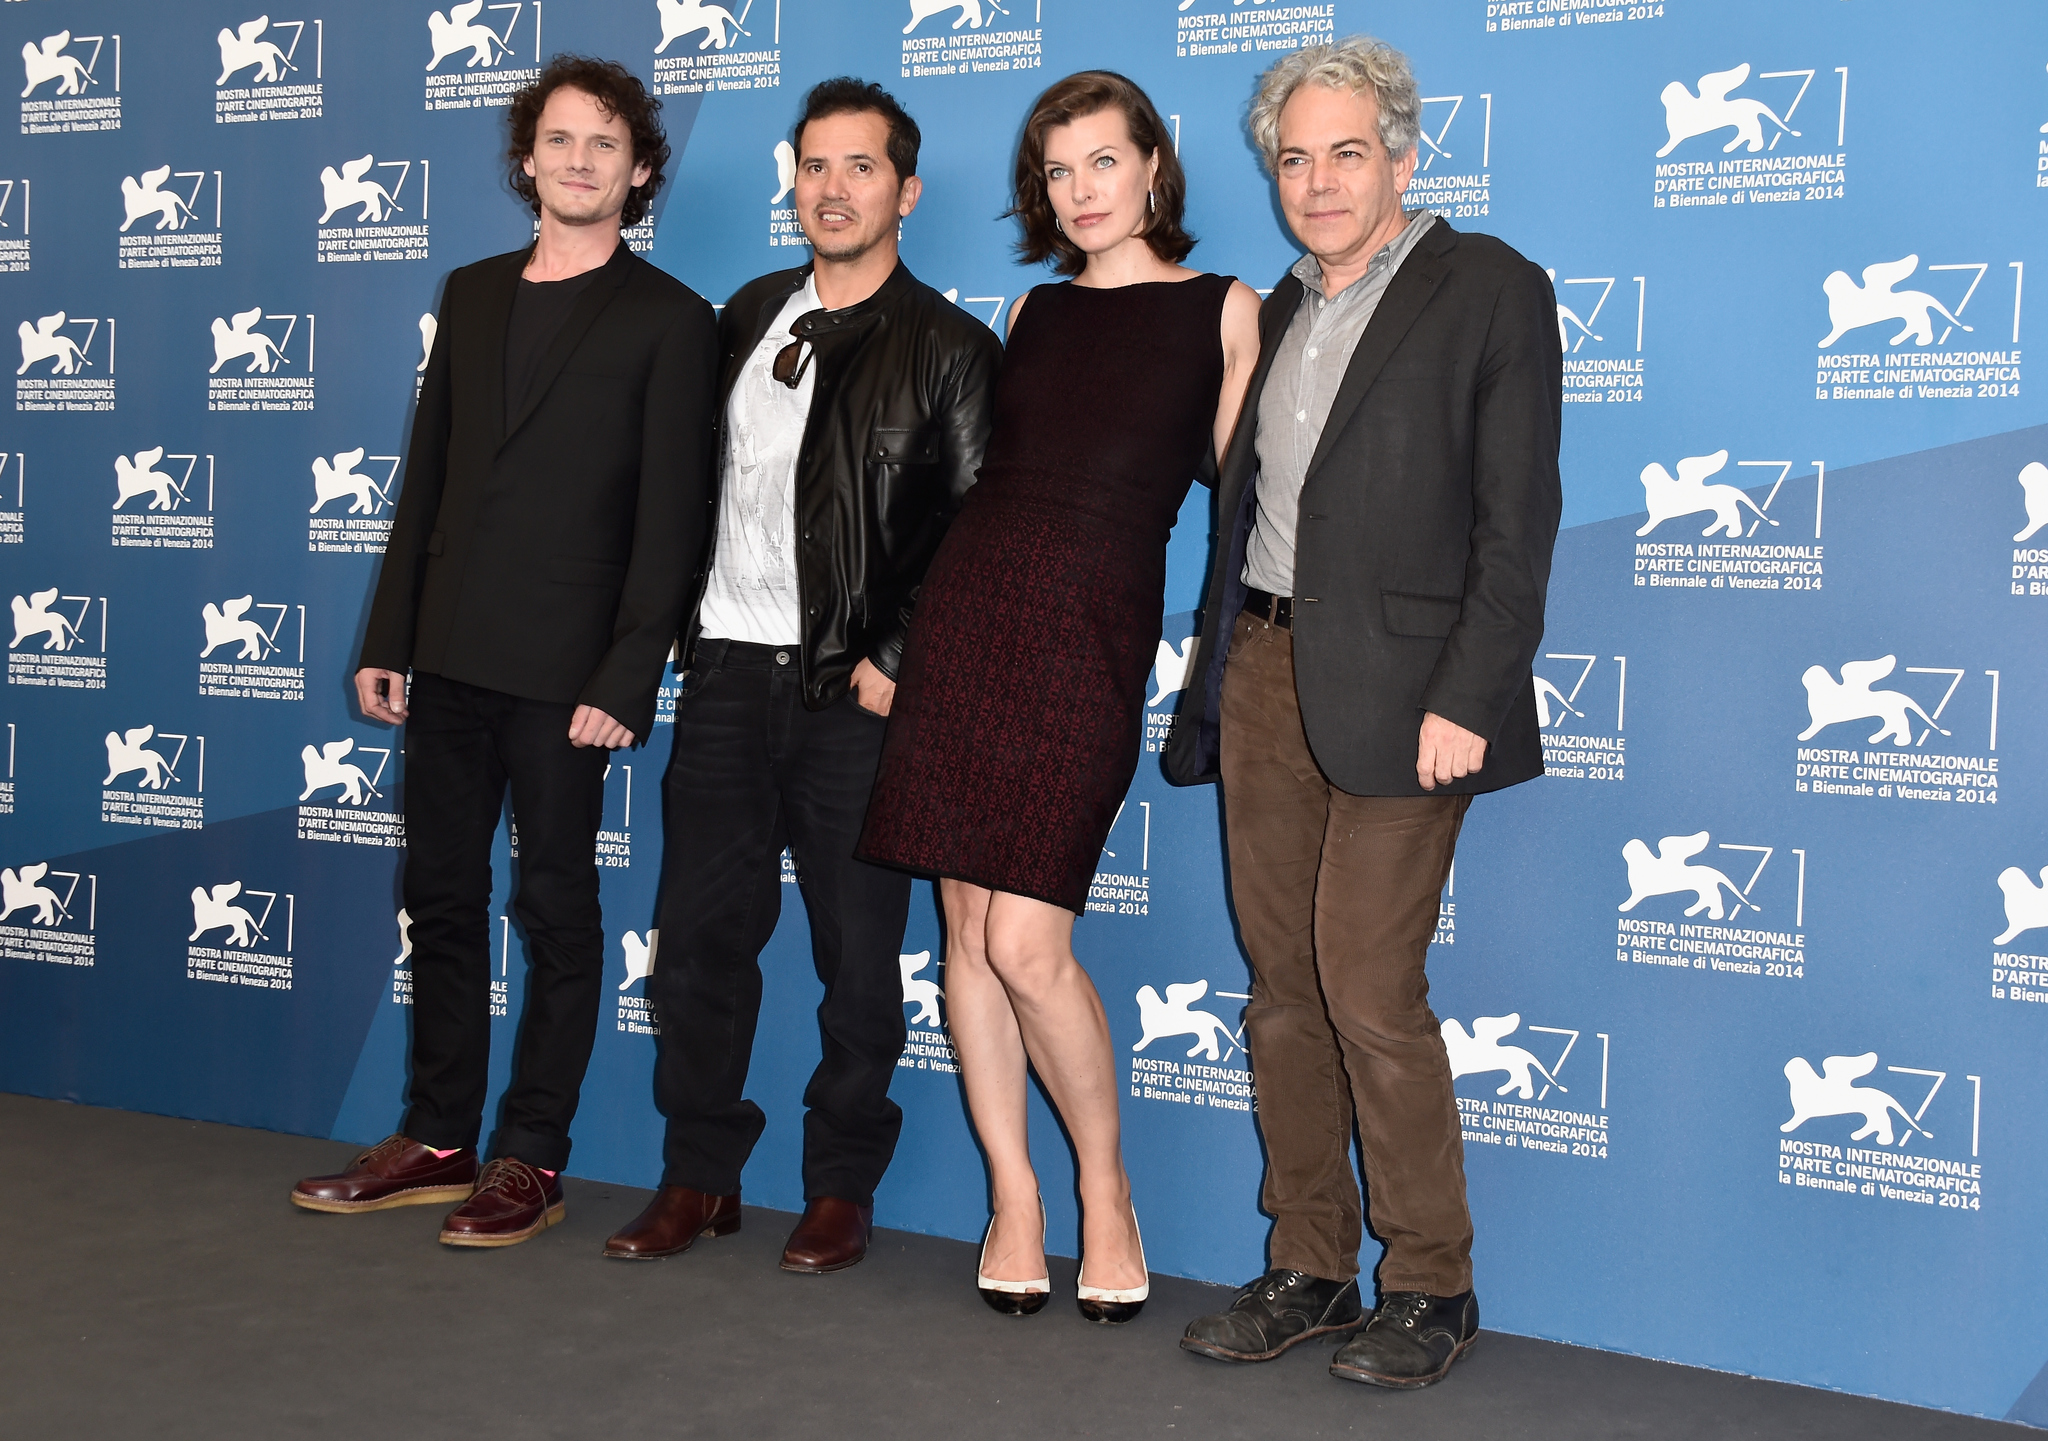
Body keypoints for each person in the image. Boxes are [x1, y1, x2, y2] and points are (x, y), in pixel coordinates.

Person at [1166, 37, 1560, 1386]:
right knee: (1282, 991)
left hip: (1411, 697)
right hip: (1265, 675)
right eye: (1295, 157)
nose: (1320, 181)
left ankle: (1433, 1283)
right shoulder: (1273, 306)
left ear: (1404, 153)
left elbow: (1518, 527)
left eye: (1347, 152)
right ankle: (1311, 1266)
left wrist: (1471, 696)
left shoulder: (1489, 287)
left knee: (1369, 989)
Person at [289, 57, 717, 1247]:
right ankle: (435, 1136)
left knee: (554, 908)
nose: (581, 161)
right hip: (451, 653)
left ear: (639, 171)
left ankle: (531, 1155)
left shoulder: (672, 319)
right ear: (526, 158)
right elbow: (425, 475)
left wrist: (628, 672)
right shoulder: (473, 292)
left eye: (606, 145)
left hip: (570, 675)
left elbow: (673, 517)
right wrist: (389, 637)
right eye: (561, 139)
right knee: (438, 895)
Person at [857, 71, 1261, 1324]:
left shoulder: (1224, 309)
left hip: (1089, 630)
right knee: (965, 936)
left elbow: (1245, 512)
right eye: (1056, 170)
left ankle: (1106, 1192)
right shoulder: (1029, 313)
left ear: (1152, 166)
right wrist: (899, 638)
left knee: (1030, 945)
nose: (1079, 191)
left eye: (1102, 162)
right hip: (973, 620)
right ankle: (1014, 1201)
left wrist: (1230, 669)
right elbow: (972, 488)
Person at [600, 79, 1002, 1274]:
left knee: (857, 959)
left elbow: (979, 532)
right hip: (723, 675)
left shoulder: (949, 347)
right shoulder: (747, 313)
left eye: (860, 168)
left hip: (854, 701)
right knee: (701, 942)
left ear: (905, 191)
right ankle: (698, 1175)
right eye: (814, 167)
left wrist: (892, 658)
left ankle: (839, 1187)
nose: (831, 189)